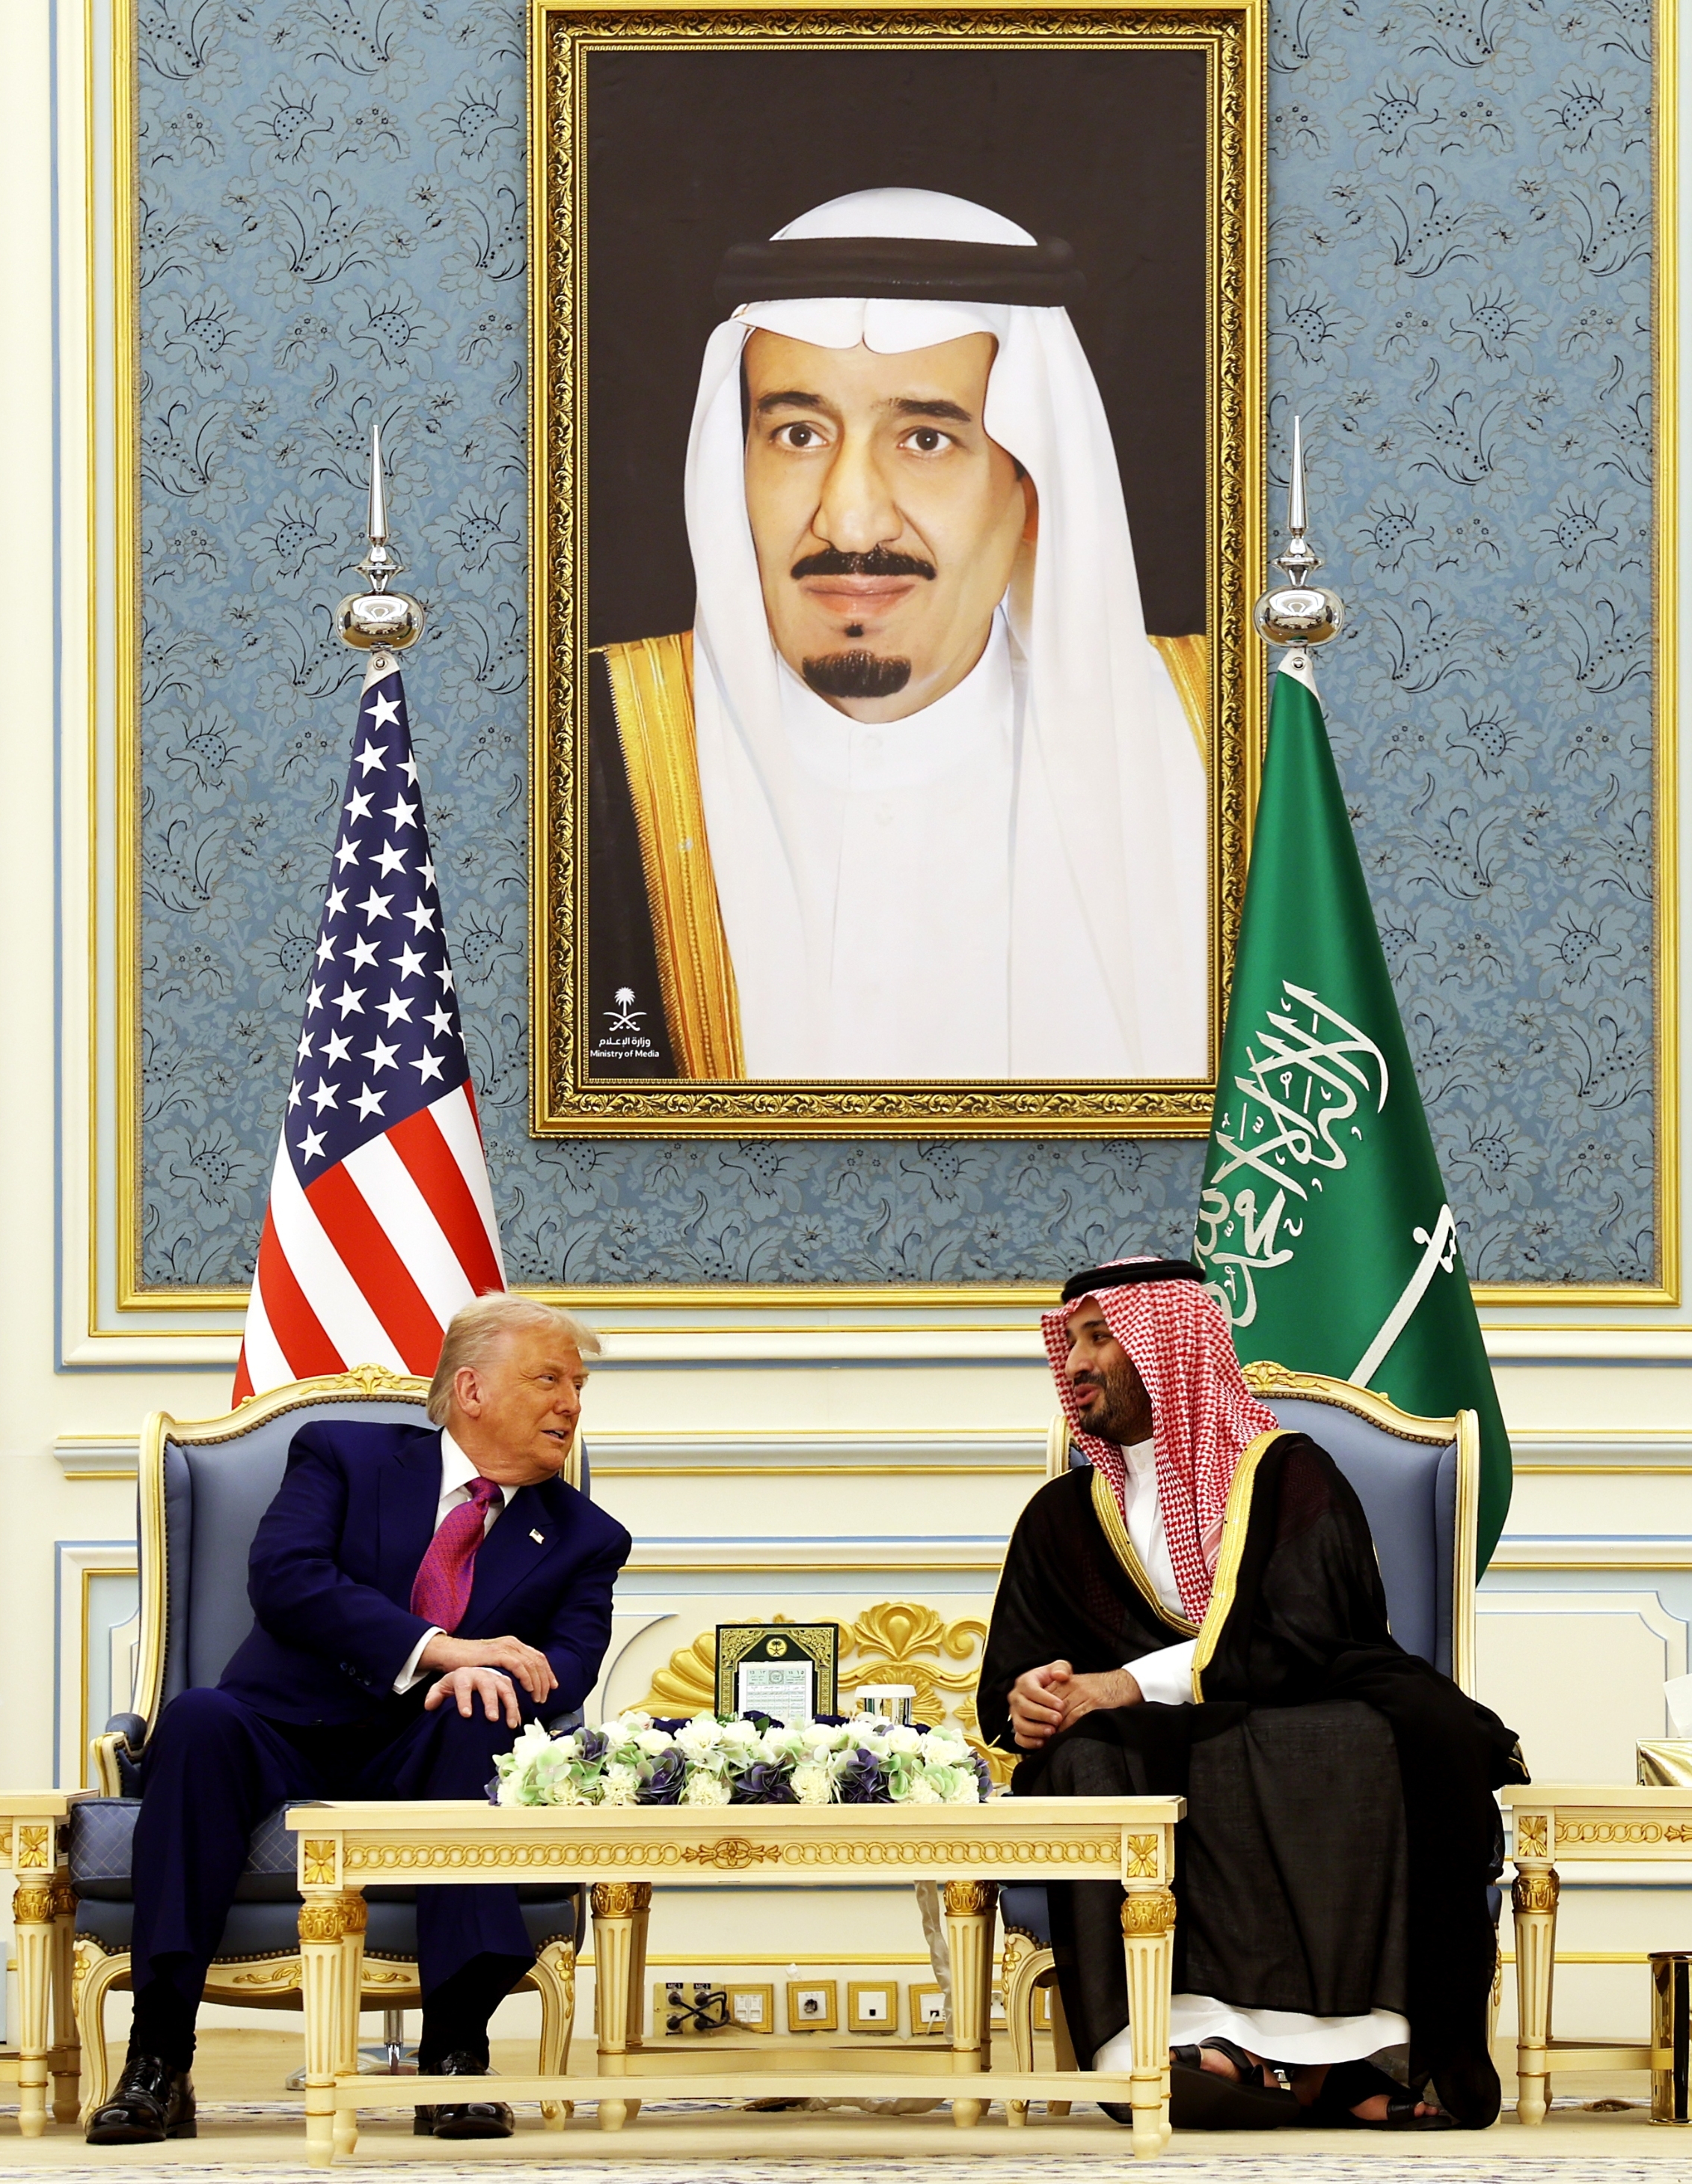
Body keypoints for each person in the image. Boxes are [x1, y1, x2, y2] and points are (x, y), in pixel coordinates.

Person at [586, 186, 1210, 1083]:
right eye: (799, 434)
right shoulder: (580, 755)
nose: (849, 519)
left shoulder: (1225, 753)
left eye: (925, 440)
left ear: (1033, 488)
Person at [979, 1258, 1523, 2132]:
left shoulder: (1289, 1475)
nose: (1073, 1364)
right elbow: (1020, 1667)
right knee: (1089, 1757)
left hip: (1288, 1709)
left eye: (1099, 1337)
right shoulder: (1063, 1515)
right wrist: (1031, 1699)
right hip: (1137, 1746)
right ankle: (1175, 2044)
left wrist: (1127, 1683)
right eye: (1069, 1342)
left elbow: (1309, 1634)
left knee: (1356, 1739)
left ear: (1167, 1347)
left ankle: (1343, 2060)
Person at [88, 1294, 631, 2145]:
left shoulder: (584, 1536)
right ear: (473, 1389)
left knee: (480, 1716)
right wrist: (439, 1650)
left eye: (578, 1386)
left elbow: (567, 1664)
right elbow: (287, 1577)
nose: (570, 1402)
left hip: (436, 1746)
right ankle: (158, 2058)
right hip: (285, 1724)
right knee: (196, 1721)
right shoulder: (345, 1454)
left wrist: (485, 1676)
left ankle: (455, 2056)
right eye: (549, 1379)